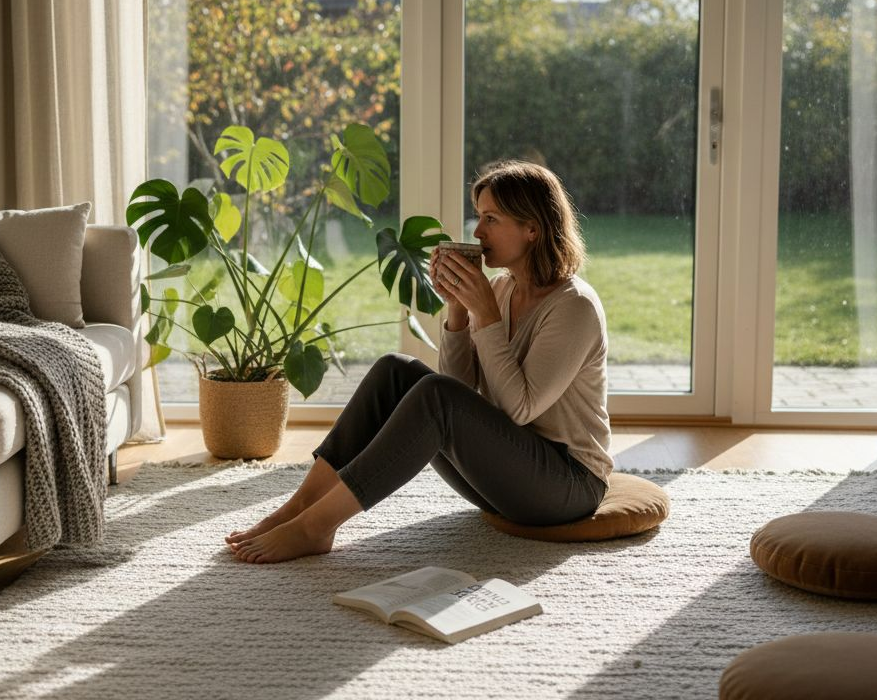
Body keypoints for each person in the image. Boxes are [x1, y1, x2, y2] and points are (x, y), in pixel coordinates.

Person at [226, 160, 612, 563]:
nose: (477, 232)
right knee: (397, 370)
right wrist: (459, 311)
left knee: (435, 396)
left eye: (491, 219)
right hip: (508, 476)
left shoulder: (574, 307)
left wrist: (486, 316)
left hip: (568, 485)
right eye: (479, 217)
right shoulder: (500, 289)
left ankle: (315, 527)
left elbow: (518, 408)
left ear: (532, 228)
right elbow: (462, 391)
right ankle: (298, 508)